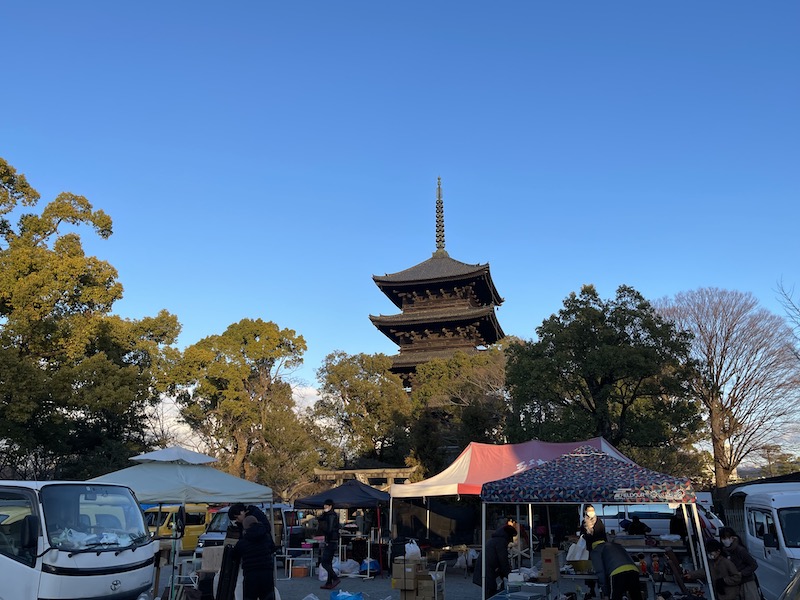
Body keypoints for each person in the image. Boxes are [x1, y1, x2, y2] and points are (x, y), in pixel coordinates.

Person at [231, 515, 276, 600]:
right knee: (268, 597)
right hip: (267, 573)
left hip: (251, 575)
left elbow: (234, 556)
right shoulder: (267, 537)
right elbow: (273, 549)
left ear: (245, 528)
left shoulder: (243, 542)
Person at [590, 534, 643, 600]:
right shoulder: (616, 545)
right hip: (634, 570)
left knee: (615, 597)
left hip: (617, 572)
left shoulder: (596, 550)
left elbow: (600, 572)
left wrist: (605, 593)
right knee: (636, 596)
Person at [719, 527, 759, 600]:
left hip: (747, 582)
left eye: (726, 538)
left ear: (732, 538)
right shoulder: (725, 551)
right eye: (722, 539)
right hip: (735, 583)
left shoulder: (740, 550)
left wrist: (741, 573)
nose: (724, 541)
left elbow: (753, 565)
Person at [478, 523, 517, 600]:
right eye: (511, 537)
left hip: (485, 569)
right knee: (490, 592)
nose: (511, 540)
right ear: (508, 535)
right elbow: (503, 561)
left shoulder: (496, 540)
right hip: (486, 570)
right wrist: (509, 576)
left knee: (490, 590)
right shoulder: (501, 542)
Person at [580, 505, 606, 598]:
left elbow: (602, 534)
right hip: (589, 550)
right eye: (589, 510)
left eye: (592, 510)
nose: (591, 512)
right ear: (586, 512)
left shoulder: (599, 521)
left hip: (599, 549)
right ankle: (591, 589)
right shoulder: (584, 522)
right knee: (590, 569)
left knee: (600, 569)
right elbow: (582, 535)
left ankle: (602, 589)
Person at [318, 498, 341, 590]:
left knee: (324, 562)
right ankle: (328, 582)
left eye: (326, 506)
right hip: (332, 540)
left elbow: (330, 529)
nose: (325, 508)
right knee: (329, 562)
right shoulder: (328, 515)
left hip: (331, 541)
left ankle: (335, 578)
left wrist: (326, 535)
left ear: (330, 506)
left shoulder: (331, 515)